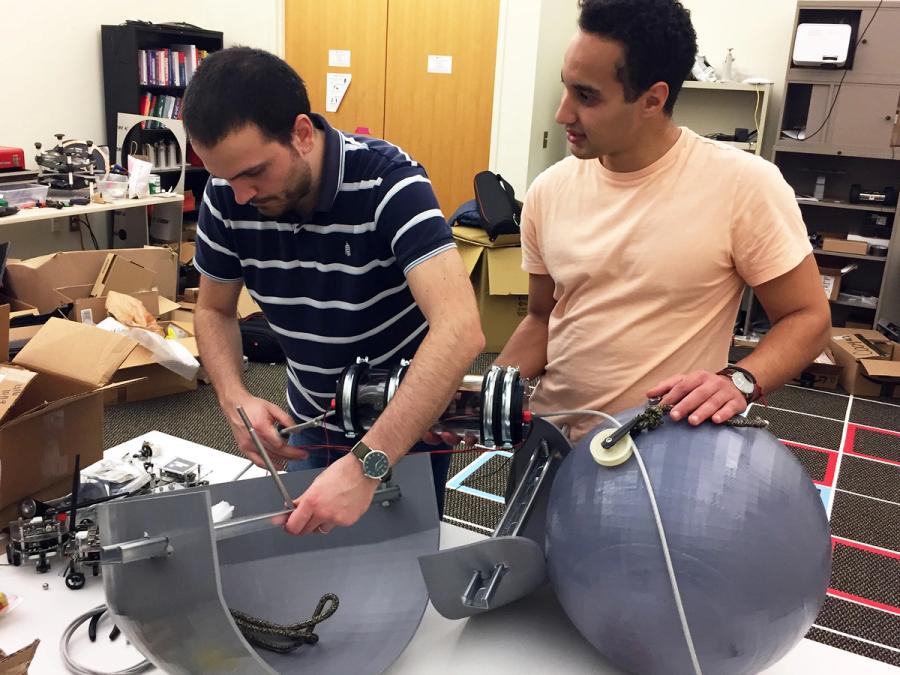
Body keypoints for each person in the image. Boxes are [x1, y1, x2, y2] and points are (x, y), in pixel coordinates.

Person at [496, 0, 831, 441]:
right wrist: (487, 388)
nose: (562, 114)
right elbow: (542, 317)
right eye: (566, 88)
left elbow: (809, 317)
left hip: (663, 449)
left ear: (652, 99)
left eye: (587, 96)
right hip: (551, 440)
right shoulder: (548, 190)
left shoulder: (743, 185)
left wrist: (740, 380)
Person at [182, 47, 484, 534]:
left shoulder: (390, 183)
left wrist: (369, 461)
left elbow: (461, 330)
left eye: (255, 173)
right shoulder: (227, 196)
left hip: (404, 427)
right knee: (309, 570)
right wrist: (234, 395)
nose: (241, 196)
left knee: (400, 573)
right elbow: (214, 310)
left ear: (302, 133)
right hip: (311, 426)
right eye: (224, 177)